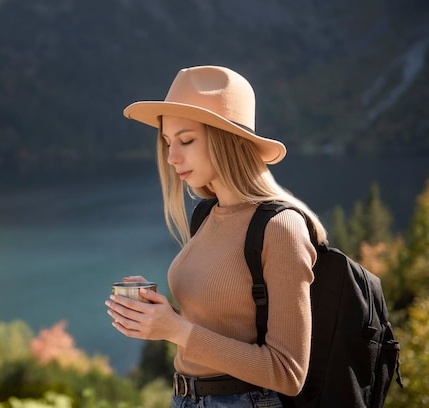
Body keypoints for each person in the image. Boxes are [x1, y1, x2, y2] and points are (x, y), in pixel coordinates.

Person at [105, 65, 327, 407]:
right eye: (167, 142)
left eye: (187, 140)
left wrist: (175, 330)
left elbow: (288, 373)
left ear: (228, 140)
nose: (171, 157)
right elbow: (217, 327)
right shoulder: (207, 214)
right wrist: (163, 318)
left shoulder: (280, 227)